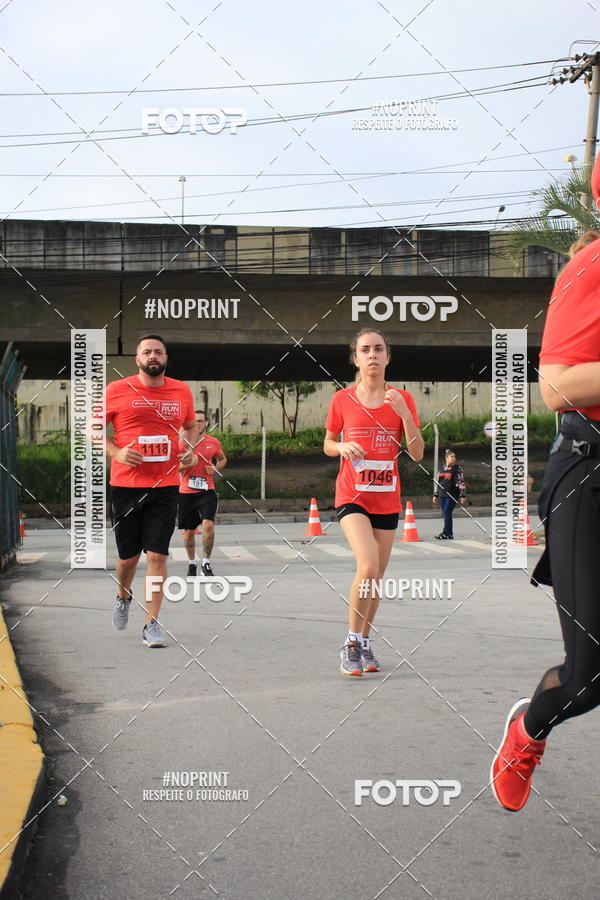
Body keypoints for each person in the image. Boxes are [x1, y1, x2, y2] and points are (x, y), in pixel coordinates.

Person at [490, 156, 600, 812]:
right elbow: (557, 386)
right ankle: (527, 732)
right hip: (589, 473)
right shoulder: (590, 268)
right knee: (588, 679)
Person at [324, 328, 424, 676]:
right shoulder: (341, 399)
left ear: (387, 357)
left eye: (378, 349)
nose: (372, 355)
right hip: (352, 495)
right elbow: (328, 443)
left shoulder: (402, 398)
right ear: (355, 359)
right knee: (367, 565)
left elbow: (417, 454)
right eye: (365, 350)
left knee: (377, 576)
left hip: (386, 497)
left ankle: (365, 641)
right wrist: (341, 446)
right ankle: (351, 642)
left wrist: (405, 415)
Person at [105, 335, 197, 647]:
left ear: (166, 358)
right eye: (147, 351)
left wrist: (189, 450)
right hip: (126, 486)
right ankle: (123, 595)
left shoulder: (181, 390)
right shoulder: (117, 390)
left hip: (166, 486)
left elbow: (189, 427)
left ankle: (152, 623)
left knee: (158, 555)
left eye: (158, 351)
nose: (153, 356)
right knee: (128, 560)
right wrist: (116, 452)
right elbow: (92, 430)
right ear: (138, 359)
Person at [178, 409, 227, 577]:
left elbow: (222, 459)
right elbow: (173, 467)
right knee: (189, 531)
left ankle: (206, 563)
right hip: (186, 491)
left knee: (208, 524)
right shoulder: (183, 443)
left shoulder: (213, 442)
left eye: (200, 421)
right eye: (194, 421)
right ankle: (192, 563)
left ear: (206, 423)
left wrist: (216, 468)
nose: (197, 424)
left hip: (207, 490)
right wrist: (188, 464)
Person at [432, 448, 466, 539]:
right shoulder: (441, 468)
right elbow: (438, 482)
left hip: (452, 494)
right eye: (452, 456)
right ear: (446, 458)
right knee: (446, 513)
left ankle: (446, 533)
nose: (454, 458)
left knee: (447, 511)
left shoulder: (457, 468)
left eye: (454, 457)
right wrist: (435, 494)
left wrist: (463, 495)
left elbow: (461, 481)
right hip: (442, 494)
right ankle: (449, 533)